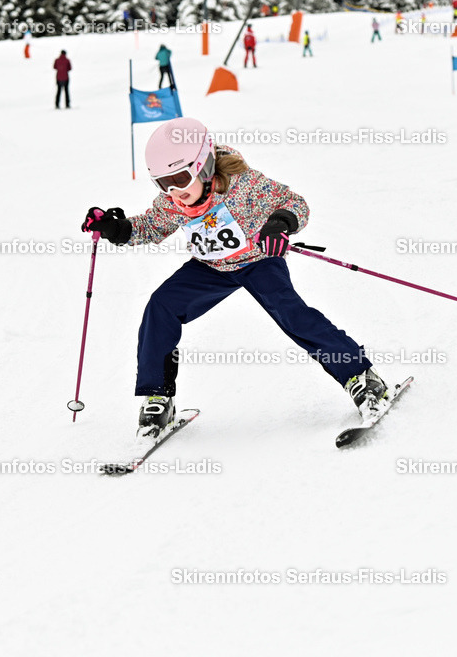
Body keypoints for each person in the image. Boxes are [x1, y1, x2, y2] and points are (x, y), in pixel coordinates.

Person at [79, 117, 392, 450]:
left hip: (258, 259)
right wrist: (119, 230)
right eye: (163, 182)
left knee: (291, 313)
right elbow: (151, 227)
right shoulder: (173, 202)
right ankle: (158, 399)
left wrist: (279, 224)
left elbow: (295, 203)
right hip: (211, 267)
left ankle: (362, 378)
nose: (174, 190)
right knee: (161, 306)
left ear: (203, 166)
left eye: (181, 178)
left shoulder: (243, 184)